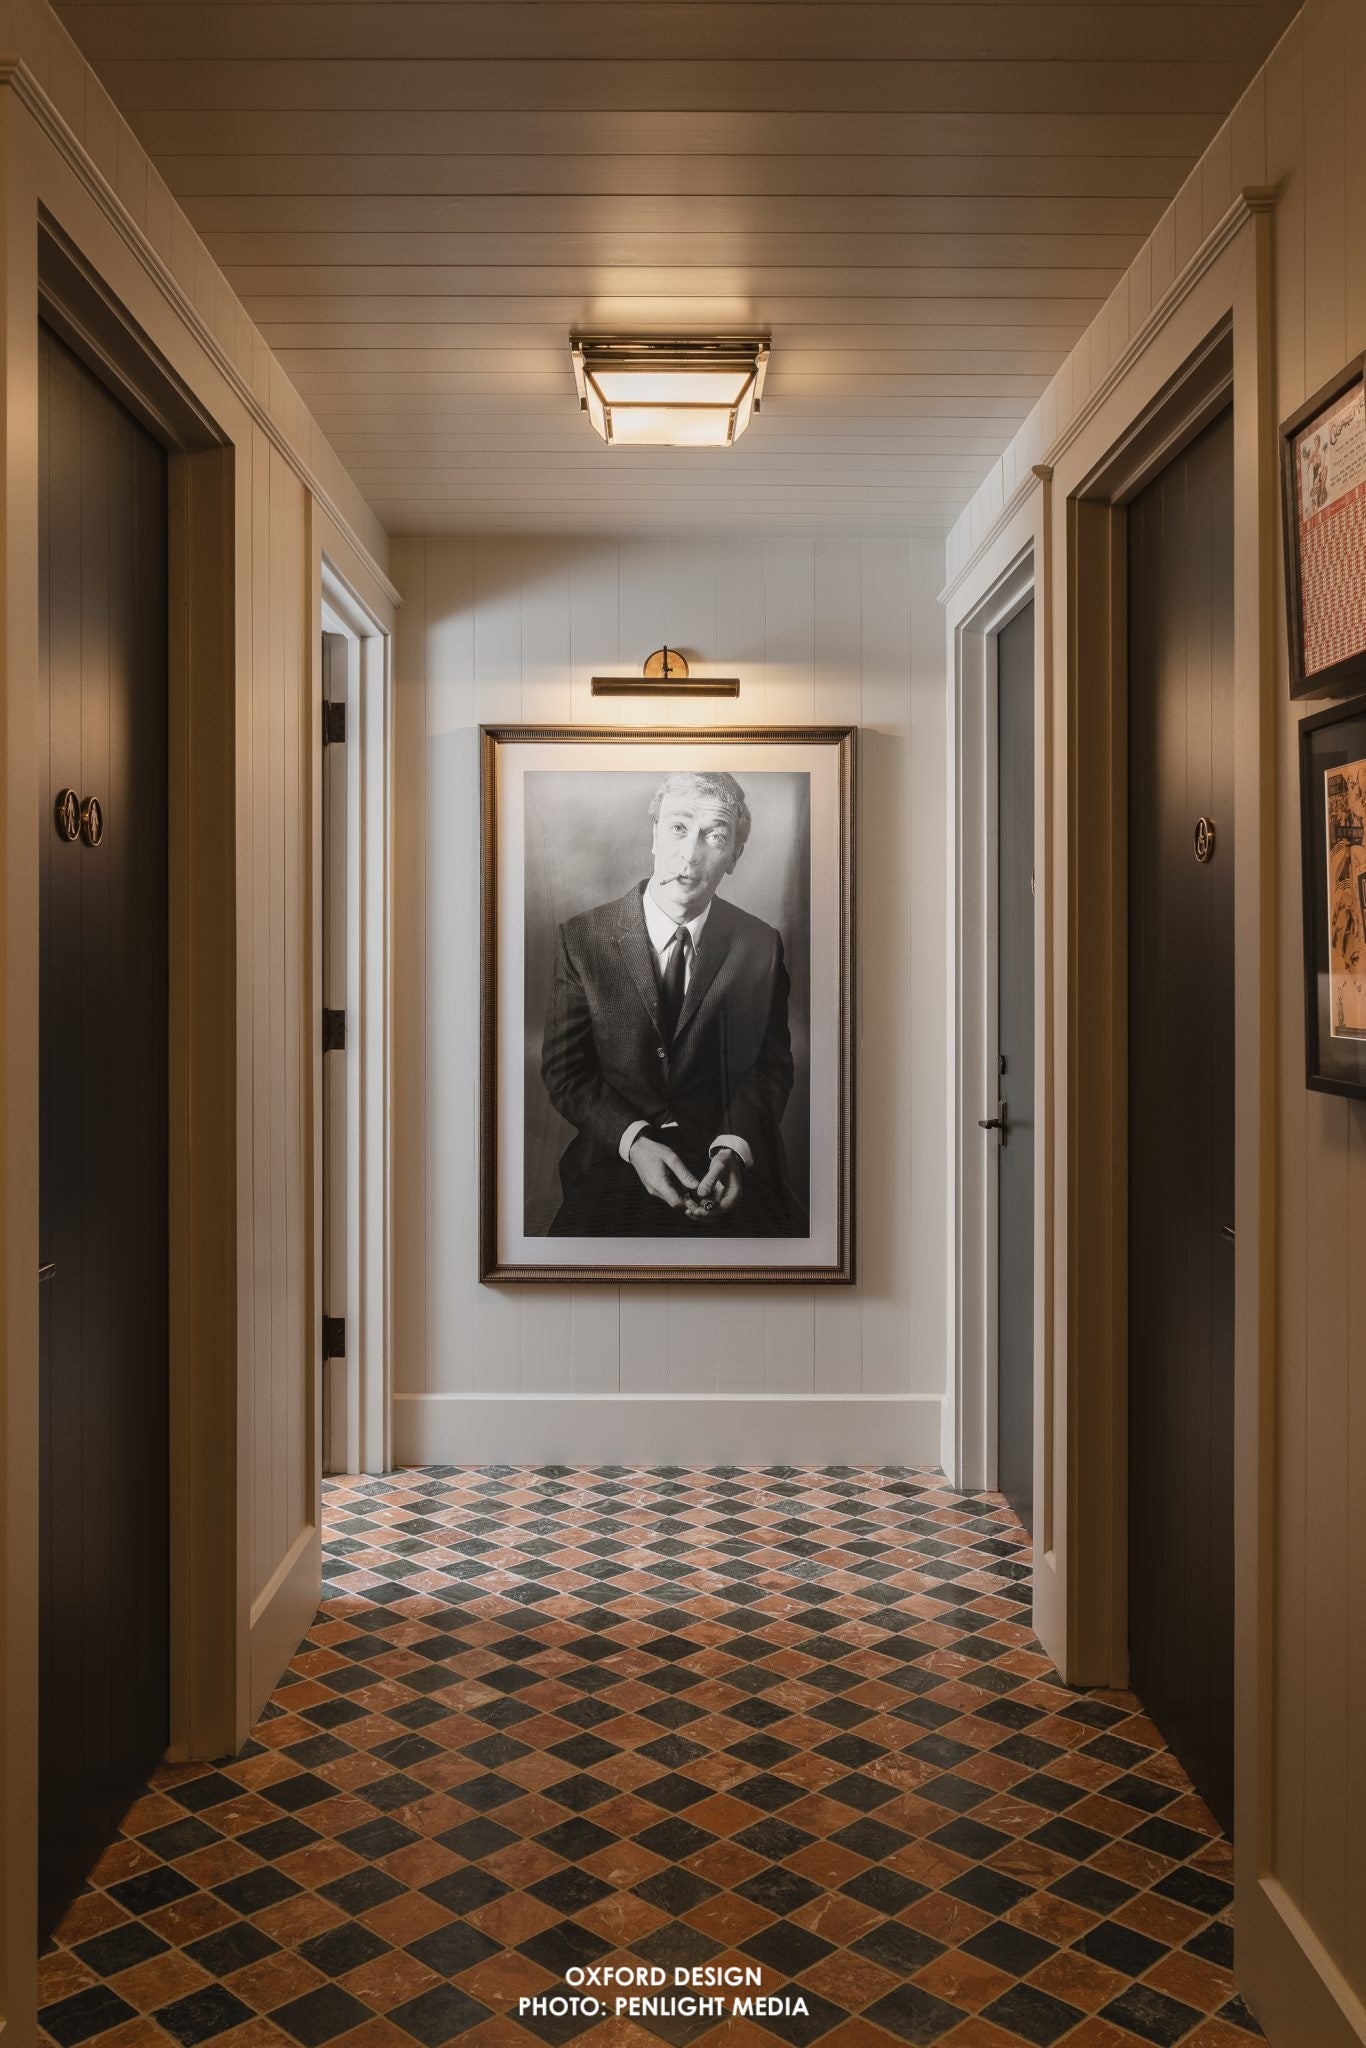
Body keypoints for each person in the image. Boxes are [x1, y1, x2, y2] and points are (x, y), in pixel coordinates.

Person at [540, 769, 798, 1236]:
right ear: (654, 835)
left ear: (735, 855)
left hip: (728, 1159)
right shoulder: (583, 939)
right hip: (614, 1156)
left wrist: (732, 1146)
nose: (690, 854)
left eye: (715, 836)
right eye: (678, 828)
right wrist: (634, 1141)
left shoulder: (761, 944)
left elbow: (770, 1065)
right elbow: (565, 1071)